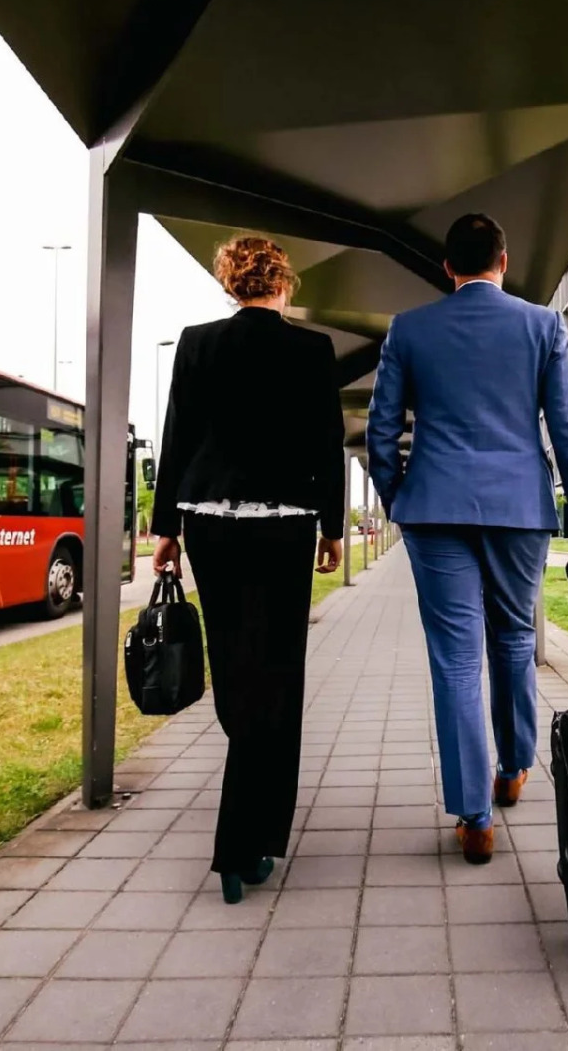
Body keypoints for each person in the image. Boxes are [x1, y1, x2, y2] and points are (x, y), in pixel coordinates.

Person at [367, 213, 568, 864]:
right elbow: (566, 428)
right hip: (519, 509)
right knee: (513, 639)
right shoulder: (540, 326)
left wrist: (400, 498)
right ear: (504, 262)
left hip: (434, 507)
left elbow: (380, 429)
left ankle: (474, 815)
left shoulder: (410, 329)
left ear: (448, 268)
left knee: (454, 658)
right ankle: (513, 768)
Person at [151, 235, 346, 903]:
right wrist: (332, 527)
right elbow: (328, 439)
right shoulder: (312, 349)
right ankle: (249, 840)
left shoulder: (196, 342)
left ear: (230, 284)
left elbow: (176, 434)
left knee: (236, 667)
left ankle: (252, 834)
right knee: (279, 673)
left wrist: (164, 530)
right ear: (283, 283)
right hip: (286, 521)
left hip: (210, 518)